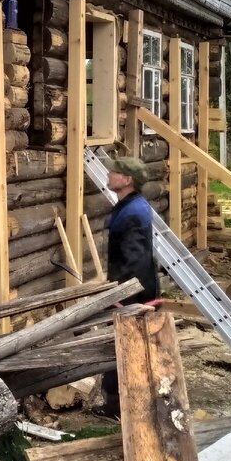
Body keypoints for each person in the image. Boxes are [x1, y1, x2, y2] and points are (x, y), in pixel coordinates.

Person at [95, 155, 160, 418]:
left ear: (127, 179)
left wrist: (121, 296)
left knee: (124, 348)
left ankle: (119, 409)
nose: (109, 175)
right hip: (133, 291)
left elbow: (136, 261)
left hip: (133, 294)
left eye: (114, 172)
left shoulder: (133, 213)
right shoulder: (131, 205)